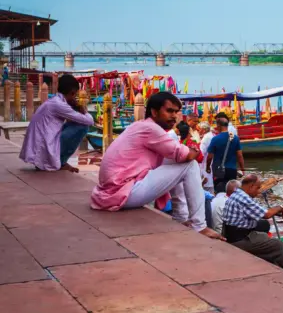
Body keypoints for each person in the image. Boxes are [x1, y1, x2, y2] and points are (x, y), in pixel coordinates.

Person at [90, 91, 224, 241]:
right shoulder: (151, 129)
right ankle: (199, 225)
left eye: (176, 112)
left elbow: (178, 155)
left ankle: (181, 217)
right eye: (169, 111)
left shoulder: (141, 126)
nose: (174, 116)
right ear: (154, 111)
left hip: (112, 192)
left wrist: (189, 152)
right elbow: (187, 155)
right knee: (189, 165)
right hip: (122, 193)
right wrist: (194, 150)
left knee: (178, 162)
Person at [221, 174, 283, 273]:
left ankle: (279, 265)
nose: (258, 192)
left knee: (264, 235)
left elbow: (258, 211)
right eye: (257, 188)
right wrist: (280, 207)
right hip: (240, 239)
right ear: (251, 186)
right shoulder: (244, 198)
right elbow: (267, 214)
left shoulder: (236, 194)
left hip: (233, 234)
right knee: (278, 244)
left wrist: (275, 212)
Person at [19, 74, 94, 172]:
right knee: (83, 126)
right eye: (75, 94)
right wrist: (83, 110)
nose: (75, 97)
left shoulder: (54, 101)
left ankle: (59, 160)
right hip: (43, 151)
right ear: (72, 92)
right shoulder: (59, 105)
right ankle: (61, 162)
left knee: (75, 123)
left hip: (39, 149)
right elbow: (90, 121)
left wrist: (74, 109)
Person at [206, 117, 245, 194]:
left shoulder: (215, 139)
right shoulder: (234, 137)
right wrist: (242, 169)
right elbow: (240, 156)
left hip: (218, 170)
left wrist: (207, 167)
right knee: (231, 192)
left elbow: (210, 156)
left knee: (219, 192)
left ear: (219, 126)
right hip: (232, 170)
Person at [199, 122, 214, 193]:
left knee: (206, 190)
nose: (199, 131)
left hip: (206, 166)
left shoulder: (206, 138)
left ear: (204, 130)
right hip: (211, 165)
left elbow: (201, 153)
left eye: (200, 129)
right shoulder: (211, 135)